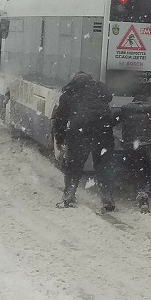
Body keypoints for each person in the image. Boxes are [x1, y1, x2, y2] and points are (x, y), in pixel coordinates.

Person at [51, 71, 117, 211]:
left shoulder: (68, 94)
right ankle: (107, 199)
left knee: (74, 165)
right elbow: (109, 97)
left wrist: (59, 139)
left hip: (80, 131)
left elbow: (60, 120)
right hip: (103, 129)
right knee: (104, 165)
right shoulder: (100, 91)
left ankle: (69, 196)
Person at [117, 91, 151, 213]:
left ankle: (140, 193)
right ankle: (144, 191)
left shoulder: (125, 109)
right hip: (147, 145)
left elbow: (114, 119)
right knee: (146, 168)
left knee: (135, 168)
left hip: (131, 144)